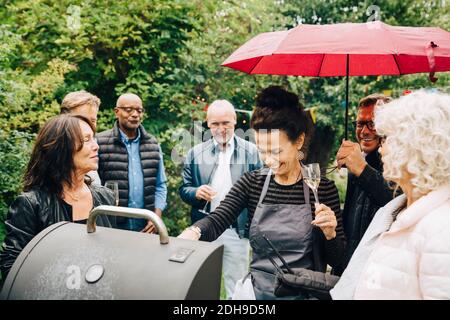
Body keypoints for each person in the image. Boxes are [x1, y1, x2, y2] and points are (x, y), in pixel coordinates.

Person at [179, 86, 345, 300]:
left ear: (299, 141)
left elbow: (339, 260)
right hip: (258, 295)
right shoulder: (253, 182)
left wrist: (330, 233)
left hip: (305, 294)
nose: (268, 160)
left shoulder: (322, 189)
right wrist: (193, 232)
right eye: (262, 150)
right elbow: (217, 220)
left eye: (276, 151)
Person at [331, 90, 450, 299]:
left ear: (415, 147)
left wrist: (363, 170)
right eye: (361, 124)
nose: (383, 149)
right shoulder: (400, 212)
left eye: (388, 139)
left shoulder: (441, 231)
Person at [0, 115, 115, 279]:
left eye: (94, 139)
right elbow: (11, 268)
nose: (96, 146)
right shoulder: (31, 204)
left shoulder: (106, 197)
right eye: (86, 139)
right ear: (62, 148)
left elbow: (114, 257)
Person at [179, 99, 262, 299]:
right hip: (204, 228)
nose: (221, 128)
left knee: (238, 286)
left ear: (235, 120)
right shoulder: (195, 152)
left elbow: (261, 191)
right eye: (215, 124)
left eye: (226, 123)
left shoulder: (251, 152)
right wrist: (195, 192)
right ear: (208, 124)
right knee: (202, 283)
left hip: (237, 229)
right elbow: (184, 189)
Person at [333, 93, 396, 275]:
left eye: (373, 124)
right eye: (360, 123)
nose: (365, 131)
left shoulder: (397, 163)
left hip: (377, 268)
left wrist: (362, 169)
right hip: (349, 265)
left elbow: (393, 202)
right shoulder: (357, 163)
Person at [97, 93, 167, 233]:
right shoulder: (99, 143)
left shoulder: (153, 144)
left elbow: (160, 185)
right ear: (117, 112)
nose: (135, 114)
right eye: (129, 110)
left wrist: (156, 216)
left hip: (146, 225)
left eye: (139, 110)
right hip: (112, 226)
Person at [60, 90, 102, 185]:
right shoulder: (55, 151)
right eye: (82, 119)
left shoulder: (94, 144)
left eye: (93, 120)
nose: (89, 125)